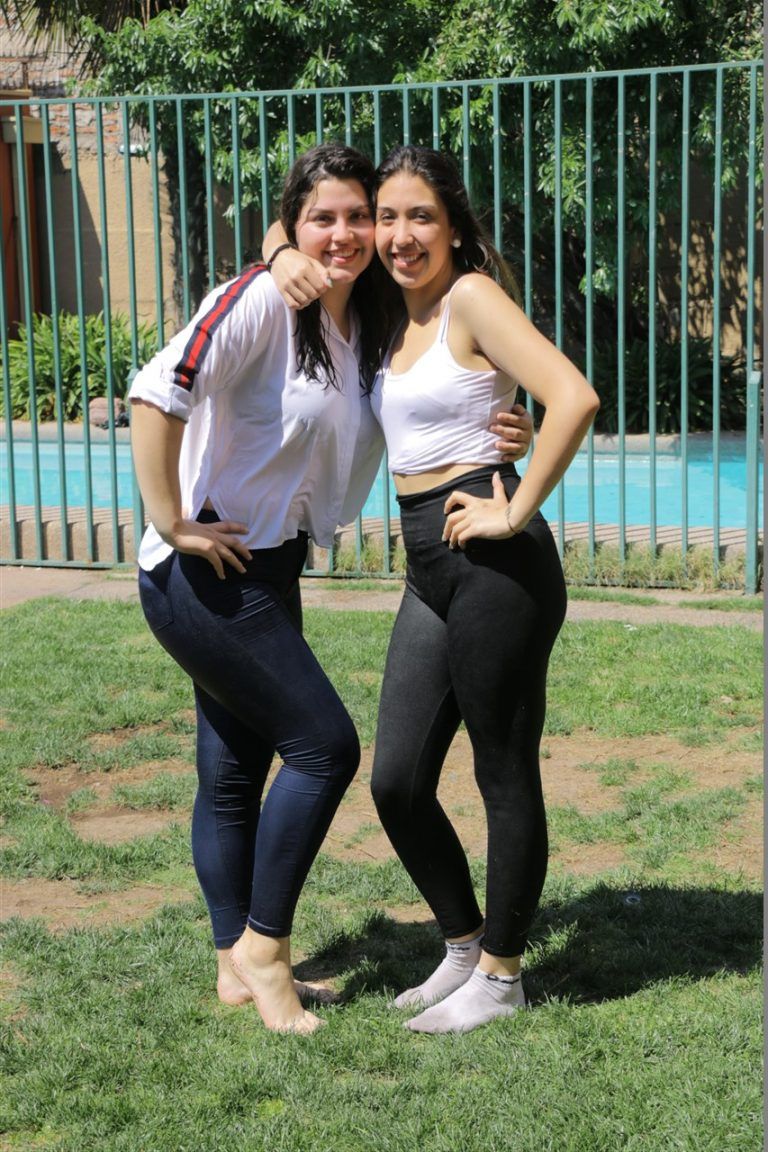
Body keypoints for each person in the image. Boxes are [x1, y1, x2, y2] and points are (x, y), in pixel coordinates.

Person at [130, 143, 532, 1036]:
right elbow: (158, 391)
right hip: (204, 569)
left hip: (269, 566)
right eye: (326, 219)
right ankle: (266, 951)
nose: (349, 233)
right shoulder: (263, 299)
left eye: (363, 216)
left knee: (231, 772)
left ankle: (232, 963)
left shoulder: (368, 314)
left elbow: (455, 375)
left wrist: (513, 420)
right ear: (294, 225)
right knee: (323, 746)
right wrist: (171, 521)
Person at [268, 145, 599, 1035]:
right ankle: (462, 943)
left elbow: (572, 396)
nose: (399, 235)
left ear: (453, 226)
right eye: (387, 217)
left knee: (502, 768)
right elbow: (293, 227)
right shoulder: (387, 309)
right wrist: (282, 250)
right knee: (398, 782)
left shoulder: (472, 297)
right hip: (427, 563)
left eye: (420, 216)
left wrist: (514, 507)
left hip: (495, 562)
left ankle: (502, 975)